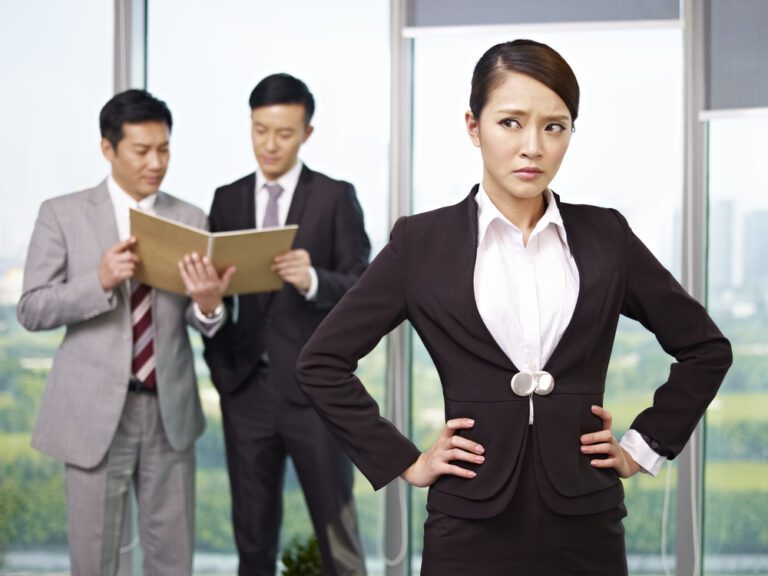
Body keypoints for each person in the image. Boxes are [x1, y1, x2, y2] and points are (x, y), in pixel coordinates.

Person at [297, 40, 732, 575]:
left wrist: (642, 447)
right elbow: (321, 363)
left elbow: (706, 350)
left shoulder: (607, 235)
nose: (533, 147)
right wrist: (406, 460)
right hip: (467, 522)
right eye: (511, 123)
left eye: (555, 127)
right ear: (473, 126)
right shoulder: (421, 243)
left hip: (587, 523)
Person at [17, 89, 234, 576]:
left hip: (169, 410)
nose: (156, 163)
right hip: (92, 413)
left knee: (173, 561)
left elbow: (201, 320)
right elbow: (31, 309)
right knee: (93, 560)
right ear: (107, 148)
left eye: (164, 149)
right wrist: (97, 281)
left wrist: (208, 305)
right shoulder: (62, 214)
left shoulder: (192, 219)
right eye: (142, 150)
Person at [202, 73, 370, 576]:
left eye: (283, 133)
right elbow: (217, 301)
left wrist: (314, 279)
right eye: (260, 131)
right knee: (252, 542)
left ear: (307, 134)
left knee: (338, 538)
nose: (269, 145)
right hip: (245, 391)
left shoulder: (335, 196)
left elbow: (364, 289)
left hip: (314, 394)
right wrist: (208, 307)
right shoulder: (227, 199)